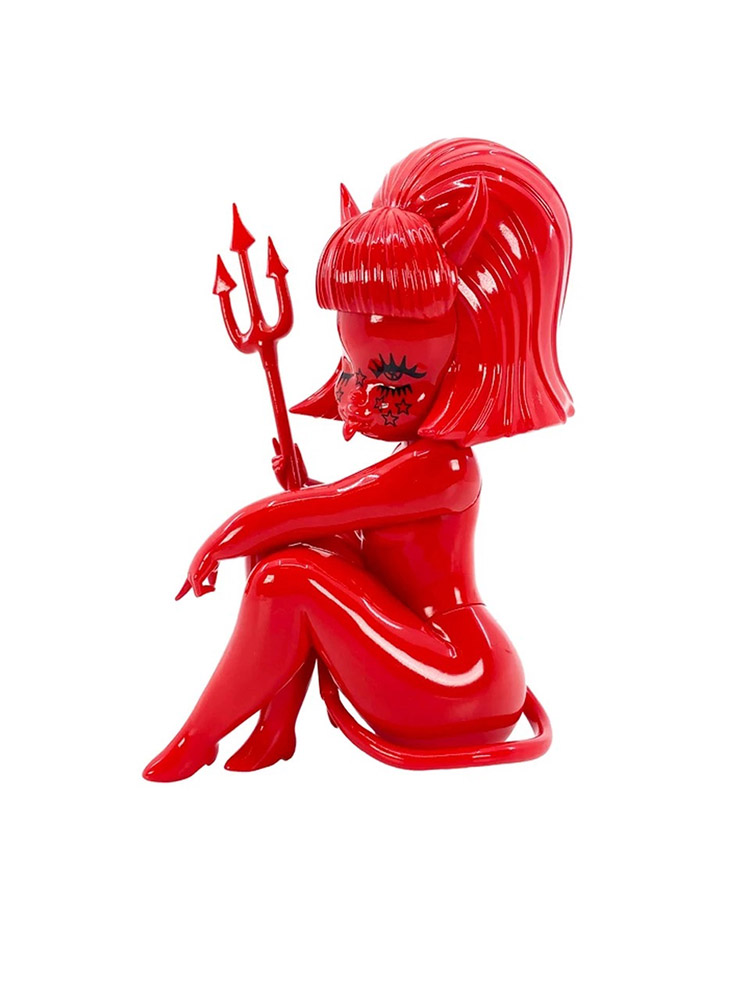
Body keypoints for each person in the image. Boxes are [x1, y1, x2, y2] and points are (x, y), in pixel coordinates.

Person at [143, 138, 573, 782]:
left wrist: (221, 542)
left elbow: (328, 510)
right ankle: (276, 729)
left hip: (456, 676)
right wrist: (295, 498)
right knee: (281, 555)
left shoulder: (443, 468)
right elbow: (357, 536)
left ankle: (198, 738)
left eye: (394, 376)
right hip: (421, 651)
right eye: (355, 366)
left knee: (286, 578)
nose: (367, 395)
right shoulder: (416, 465)